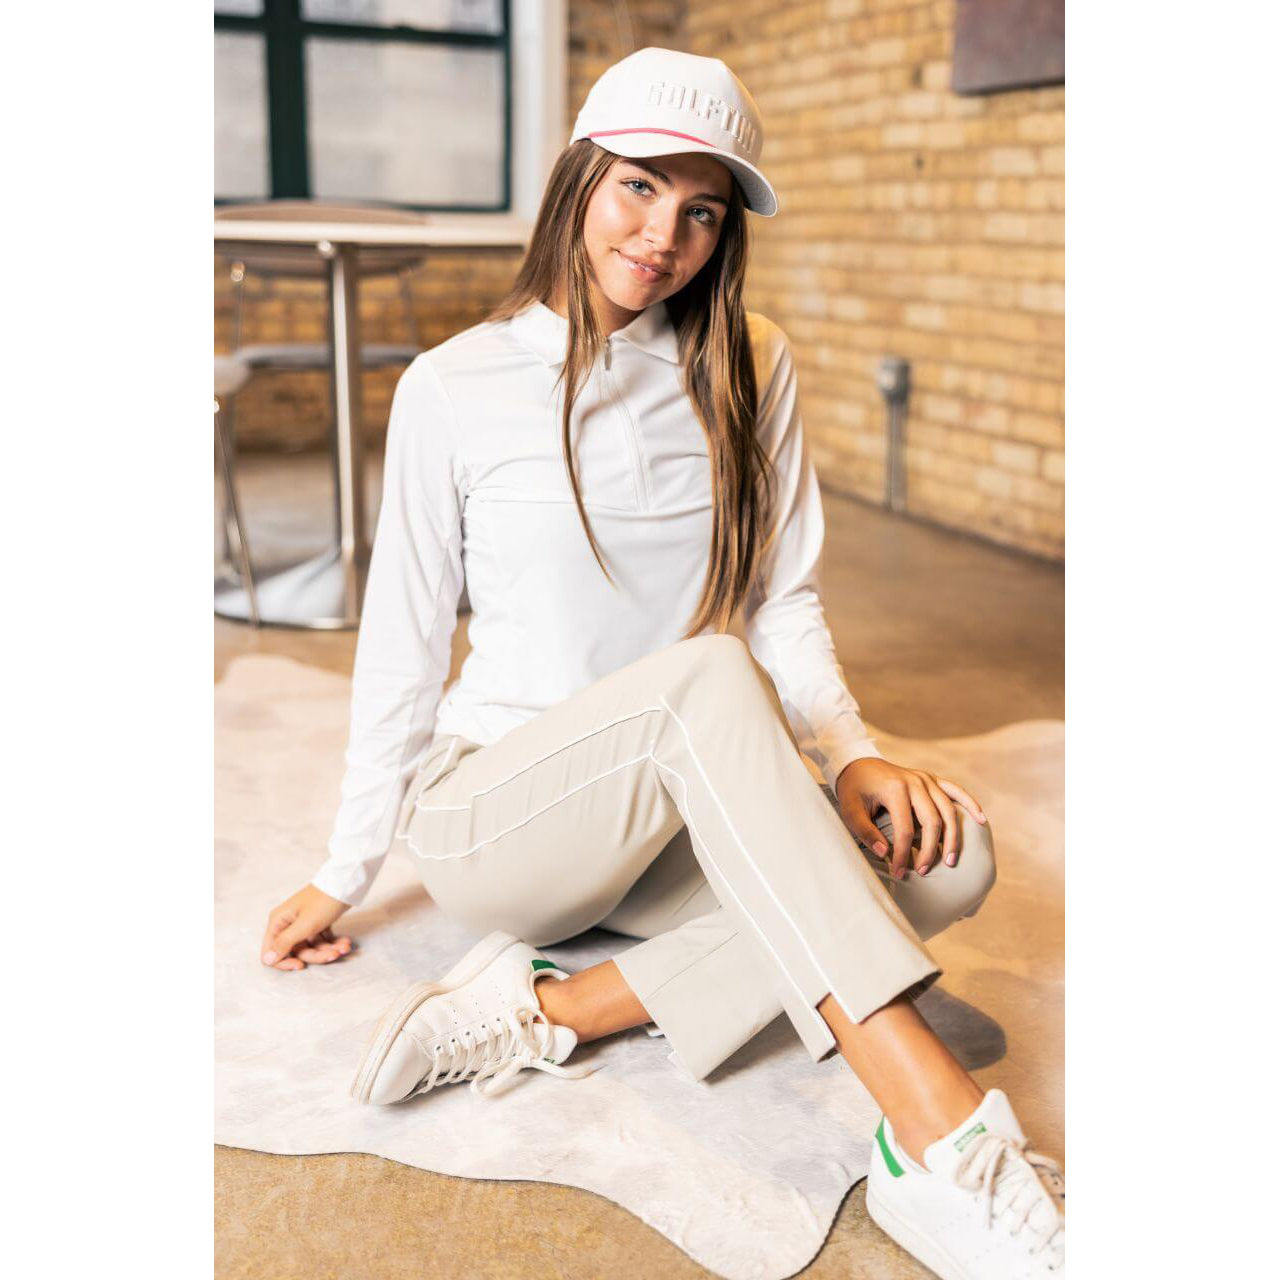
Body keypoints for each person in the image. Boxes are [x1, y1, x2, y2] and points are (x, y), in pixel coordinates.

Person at [258, 48, 1064, 1279]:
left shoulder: (752, 361)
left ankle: (553, 1007)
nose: (663, 237)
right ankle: (945, 1145)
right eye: (637, 187)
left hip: (676, 812)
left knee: (947, 856)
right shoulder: (451, 384)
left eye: (701, 211)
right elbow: (403, 644)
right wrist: (343, 866)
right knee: (710, 677)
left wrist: (850, 753)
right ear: (578, 178)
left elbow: (780, 592)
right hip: (501, 817)